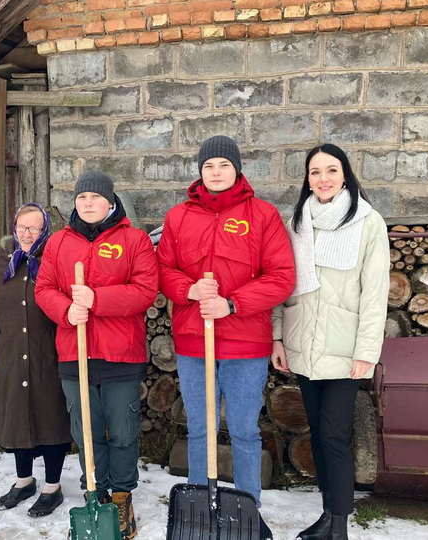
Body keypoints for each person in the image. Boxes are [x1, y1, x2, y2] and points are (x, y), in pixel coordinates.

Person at [156, 135, 295, 540]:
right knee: (199, 428)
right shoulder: (179, 216)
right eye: (208, 166)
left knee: (245, 429)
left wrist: (232, 305)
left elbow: (281, 277)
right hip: (193, 341)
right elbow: (164, 268)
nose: (215, 173)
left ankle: (248, 509)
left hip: (244, 344)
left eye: (223, 166)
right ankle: (202, 508)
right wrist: (189, 290)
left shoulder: (262, 214)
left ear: (237, 170)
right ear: (199, 172)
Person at [271, 144, 389, 540]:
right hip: (303, 344)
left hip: (344, 349)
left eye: (331, 170)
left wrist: (366, 353)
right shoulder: (297, 222)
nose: (323, 179)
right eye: (315, 172)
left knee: (335, 433)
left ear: (345, 175)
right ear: (307, 179)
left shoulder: (368, 222)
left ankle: (339, 524)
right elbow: (282, 284)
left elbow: (375, 294)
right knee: (318, 433)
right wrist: (278, 337)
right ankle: (327, 514)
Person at [35, 171, 158, 539]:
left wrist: (98, 300)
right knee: (85, 431)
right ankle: (96, 491)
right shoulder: (58, 243)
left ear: (110, 201)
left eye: (95, 197)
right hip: (75, 354)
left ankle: (121, 495)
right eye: (82, 198)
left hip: (121, 354)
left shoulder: (134, 240)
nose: (88, 204)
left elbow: (146, 289)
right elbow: (44, 288)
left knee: (122, 430)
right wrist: (64, 310)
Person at [0, 203, 72, 517]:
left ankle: (52, 486)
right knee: (17, 418)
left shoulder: (54, 258)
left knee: (49, 417)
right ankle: (24, 481)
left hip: (46, 353)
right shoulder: (0, 259)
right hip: (9, 352)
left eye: (34, 228)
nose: (26, 234)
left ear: (44, 231)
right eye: (22, 227)